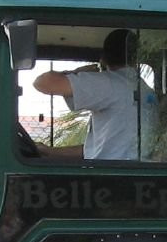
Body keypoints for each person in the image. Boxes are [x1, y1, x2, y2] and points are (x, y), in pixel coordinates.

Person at [32, 29, 158, 160]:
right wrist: (50, 152)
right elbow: (99, 149)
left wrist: (75, 72)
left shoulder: (107, 83)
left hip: (109, 175)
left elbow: (42, 83)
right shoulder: (144, 90)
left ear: (103, 58)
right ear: (135, 57)